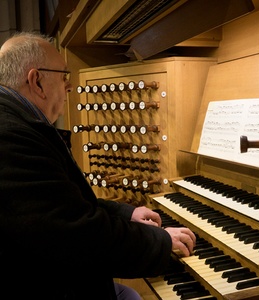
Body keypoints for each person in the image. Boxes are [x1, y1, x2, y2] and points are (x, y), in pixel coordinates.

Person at [0, 32, 196, 300]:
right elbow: (73, 233)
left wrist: (125, 214)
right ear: (37, 82)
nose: (69, 86)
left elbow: (63, 204)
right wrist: (159, 242)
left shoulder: (17, 122)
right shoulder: (9, 137)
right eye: (64, 76)